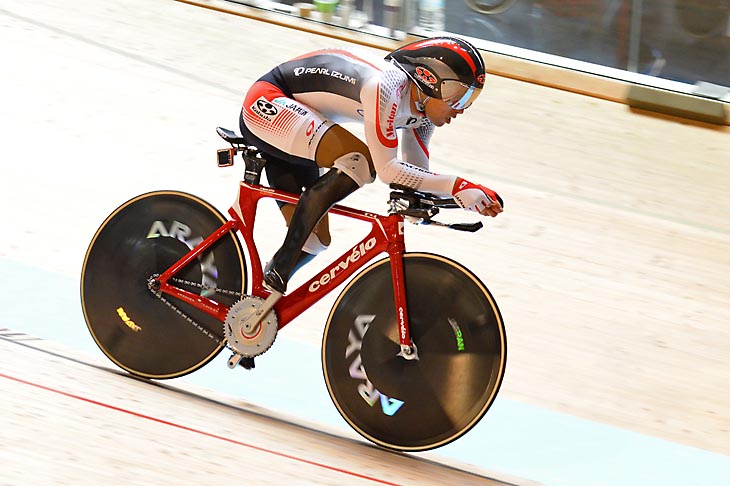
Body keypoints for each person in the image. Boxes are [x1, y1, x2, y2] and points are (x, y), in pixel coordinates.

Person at [238, 36, 504, 295]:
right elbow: (388, 170)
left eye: (470, 99)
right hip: (269, 101)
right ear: (428, 80)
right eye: (457, 95)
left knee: (315, 241)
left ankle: (259, 299)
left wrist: (464, 199)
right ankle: (279, 269)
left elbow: (415, 179)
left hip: (300, 119)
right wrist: (458, 185)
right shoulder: (386, 85)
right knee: (360, 160)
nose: (461, 109)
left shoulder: (420, 117)